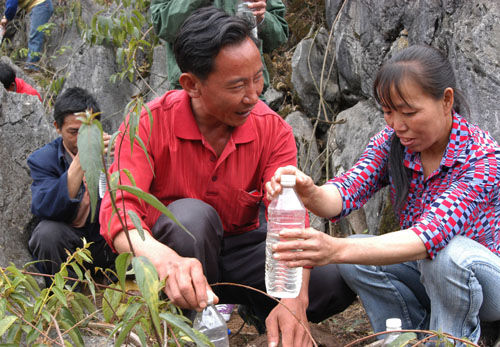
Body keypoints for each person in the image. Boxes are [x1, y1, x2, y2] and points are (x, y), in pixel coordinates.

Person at [100, 7, 354, 347]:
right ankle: (182, 324)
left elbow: (289, 219)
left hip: (241, 252)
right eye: (237, 85)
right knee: (191, 218)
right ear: (192, 85)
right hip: (177, 251)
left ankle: (259, 313)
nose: (253, 95)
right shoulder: (148, 123)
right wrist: (165, 259)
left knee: (331, 279)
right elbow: (119, 211)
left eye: (257, 78)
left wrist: (294, 298)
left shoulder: (272, 130)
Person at [266, 45, 500, 344]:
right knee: (356, 254)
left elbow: (429, 236)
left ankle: (450, 340)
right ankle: (401, 338)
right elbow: (347, 190)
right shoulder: (393, 143)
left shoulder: (483, 159)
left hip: (486, 287)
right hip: (427, 275)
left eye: (409, 112)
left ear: (446, 100)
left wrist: (332, 249)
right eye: (388, 112)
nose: (398, 125)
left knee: (448, 255)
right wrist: (309, 192)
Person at [28, 87, 115, 287]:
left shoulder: (111, 151)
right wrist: (81, 161)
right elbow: (44, 207)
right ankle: (67, 294)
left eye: (88, 131)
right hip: (71, 246)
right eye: (74, 132)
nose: (82, 139)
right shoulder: (43, 160)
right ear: (57, 127)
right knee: (47, 233)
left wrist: (121, 158)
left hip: (105, 241)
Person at [150, 0, 288, 94]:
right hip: (195, 92)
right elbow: (162, 24)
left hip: (249, 92)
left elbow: (280, 35)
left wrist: (261, 19)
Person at [1, 0, 53, 70]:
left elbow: (11, 7)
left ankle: (32, 67)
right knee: (35, 37)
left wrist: (6, 18)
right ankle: (31, 66)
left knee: (35, 37)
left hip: (41, 5)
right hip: (41, 5)